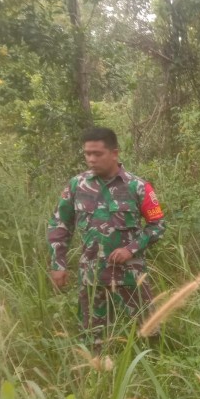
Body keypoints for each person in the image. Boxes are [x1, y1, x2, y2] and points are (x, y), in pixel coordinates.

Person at [47, 127, 165, 353]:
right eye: (87, 154)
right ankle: (97, 378)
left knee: (150, 332)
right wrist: (58, 264)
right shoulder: (76, 186)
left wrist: (131, 249)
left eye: (97, 154)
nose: (91, 159)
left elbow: (157, 224)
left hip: (130, 276)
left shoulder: (137, 186)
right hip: (92, 276)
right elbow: (60, 225)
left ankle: (154, 372)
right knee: (92, 337)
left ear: (114, 153)